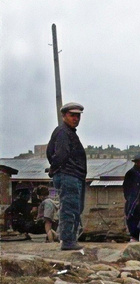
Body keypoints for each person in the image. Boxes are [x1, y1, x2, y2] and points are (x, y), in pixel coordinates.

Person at [46, 101, 87, 250]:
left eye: (78, 116)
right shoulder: (63, 132)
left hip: (73, 175)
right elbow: (59, 154)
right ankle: (68, 241)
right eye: (72, 115)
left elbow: (51, 152)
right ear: (64, 116)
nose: (76, 118)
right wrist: (55, 168)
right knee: (70, 207)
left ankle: (70, 240)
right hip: (68, 175)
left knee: (75, 208)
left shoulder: (68, 132)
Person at [122, 155, 140, 239]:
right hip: (133, 200)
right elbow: (126, 187)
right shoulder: (131, 173)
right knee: (132, 218)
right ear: (136, 163)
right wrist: (130, 198)